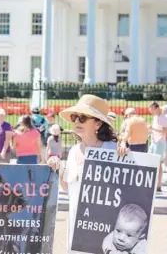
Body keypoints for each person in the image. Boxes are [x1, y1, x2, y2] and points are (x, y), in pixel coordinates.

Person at [53, 94, 120, 254]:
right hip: (78, 224)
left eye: (82, 118)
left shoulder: (113, 150)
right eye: (75, 117)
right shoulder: (74, 151)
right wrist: (58, 169)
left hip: (106, 226)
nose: (76, 121)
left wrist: (126, 153)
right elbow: (69, 188)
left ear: (98, 123)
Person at [148, 101, 167, 192]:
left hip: (160, 142)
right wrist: (151, 132)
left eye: (152, 109)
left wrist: (152, 128)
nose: (151, 111)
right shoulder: (156, 117)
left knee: (158, 163)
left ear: (157, 108)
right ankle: (153, 182)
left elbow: (164, 132)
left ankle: (158, 186)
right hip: (154, 142)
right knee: (151, 161)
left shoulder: (162, 117)